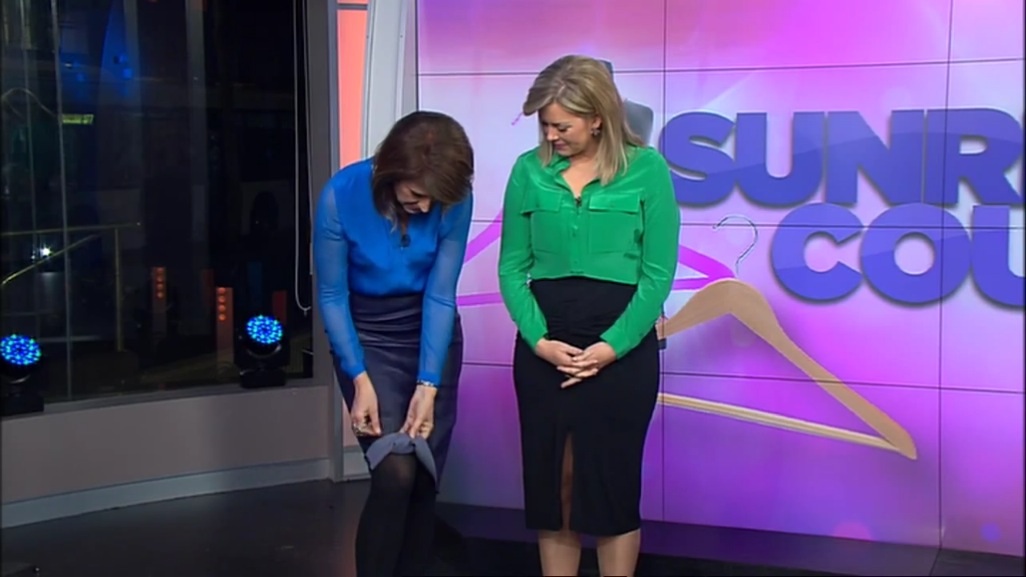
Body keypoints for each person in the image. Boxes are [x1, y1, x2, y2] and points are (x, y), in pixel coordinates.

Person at [497, 55, 680, 577]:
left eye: (562, 126)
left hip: (621, 348)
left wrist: (611, 347)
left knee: (611, 487)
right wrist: (538, 340)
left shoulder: (648, 170)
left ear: (597, 117)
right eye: (545, 125)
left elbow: (657, 275)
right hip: (546, 348)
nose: (551, 136)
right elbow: (511, 268)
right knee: (554, 486)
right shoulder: (528, 171)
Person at [314, 110, 474, 577]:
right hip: (366, 335)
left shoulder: (453, 198)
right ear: (390, 171)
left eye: (434, 200)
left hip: (430, 332)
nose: (426, 208)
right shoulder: (341, 195)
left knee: (423, 478)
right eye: (417, 196)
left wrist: (428, 384)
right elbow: (332, 295)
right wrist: (358, 377)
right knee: (395, 473)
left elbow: (441, 295)